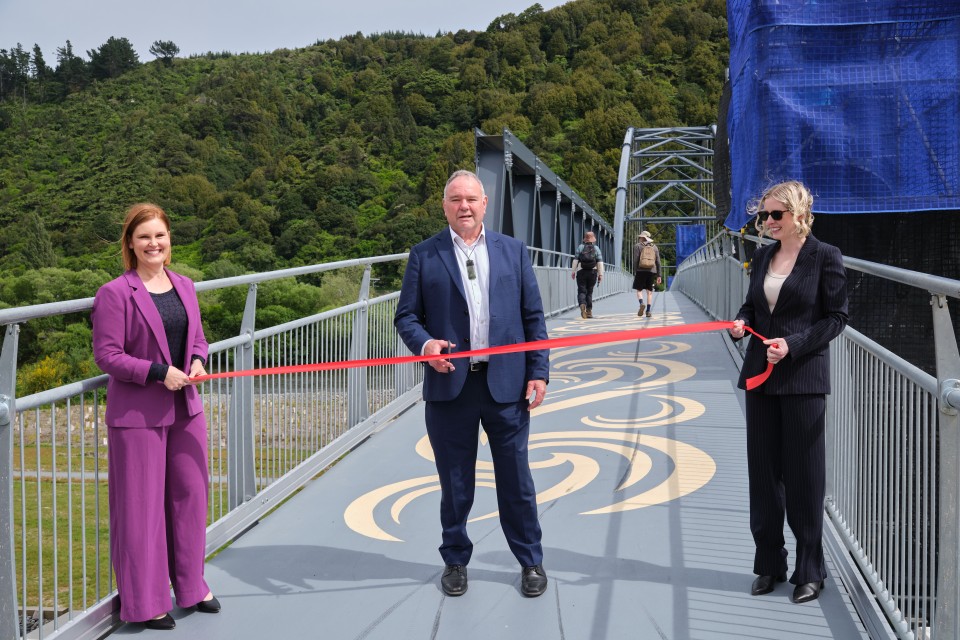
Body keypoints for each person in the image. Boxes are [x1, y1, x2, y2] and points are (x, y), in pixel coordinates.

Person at [394, 169, 550, 598]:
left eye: (471, 199)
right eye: (455, 199)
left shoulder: (513, 251)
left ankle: (530, 560)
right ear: (444, 206)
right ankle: (455, 560)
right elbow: (406, 316)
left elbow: (533, 318)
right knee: (455, 482)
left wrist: (538, 371)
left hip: (507, 385)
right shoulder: (424, 255)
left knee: (516, 479)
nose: (464, 206)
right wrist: (426, 345)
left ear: (485, 204)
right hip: (450, 389)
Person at [92, 203, 220, 630]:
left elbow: (198, 339)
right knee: (141, 512)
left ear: (170, 241)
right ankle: (146, 603)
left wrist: (198, 361)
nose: (153, 243)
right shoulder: (115, 292)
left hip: (186, 407)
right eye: (144, 236)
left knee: (190, 498)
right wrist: (157, 372)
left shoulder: (184, 285)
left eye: (159, 236)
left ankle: (190, 586)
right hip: (138, 414)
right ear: (130, 243)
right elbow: (107, 356)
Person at [728, 181, 848, 604]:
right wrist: (741, 323)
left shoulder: (825, 256)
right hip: (761, 375)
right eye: (764, 215)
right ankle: (769, 565)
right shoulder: (762, 255)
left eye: (775, 214)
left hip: (802, 379)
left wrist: (793, 345)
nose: (767, 222)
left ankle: (809, 569)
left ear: (799, 214)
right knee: (763, 475)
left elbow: (836, 318)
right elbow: (751, 305)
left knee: (804, 479)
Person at [571, 231, 604, 318]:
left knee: (581, 291)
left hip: (581, 272)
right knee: (589, 292)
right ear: (593, 239)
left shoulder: (580, 247)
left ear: (585, 239)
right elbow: (600, 262)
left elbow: (575, 260)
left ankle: (582, 305)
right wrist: (600, 274)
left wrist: (573, 271)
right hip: (592, 272)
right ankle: (589, 311)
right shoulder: (596, 248)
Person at [632, 230, 661, 317]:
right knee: (649, 292)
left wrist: (635, 270)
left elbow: (636, 260)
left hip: (640, 271)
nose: (639, 238)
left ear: (643, 237)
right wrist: (659, 275)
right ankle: (648, 311)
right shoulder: (654, 247)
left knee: (639, 290)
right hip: (651, 271)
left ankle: (641, 303)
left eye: (640, 237)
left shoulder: (637, 246)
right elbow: (658, 262)